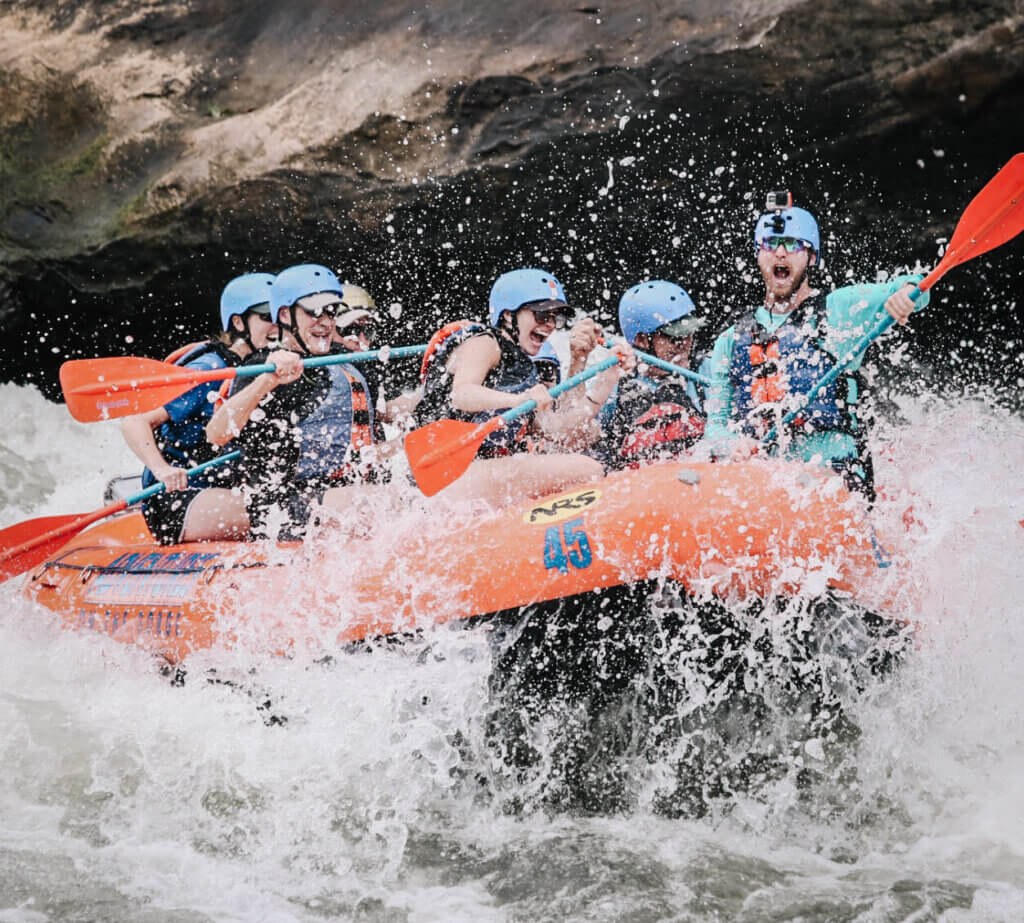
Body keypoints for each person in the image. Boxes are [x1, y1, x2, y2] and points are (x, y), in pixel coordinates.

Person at [702, 194, 926, 499]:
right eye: (770, 243)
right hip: (765, 485)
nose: (780, 253)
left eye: (793, 244)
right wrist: (732, 445)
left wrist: (907, 293)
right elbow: (715, 427)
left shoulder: (840, 309)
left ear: (811, 256)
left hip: (834, 478)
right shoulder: (729, 340)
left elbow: (917, 288)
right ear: (758, 255)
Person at [412, 268, 635, 506]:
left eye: (555, 318)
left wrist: (608, 377)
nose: (550, 325)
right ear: (509, 315)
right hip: (442, 475)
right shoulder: (484, 343)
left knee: (583, 452)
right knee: (585, 469)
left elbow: (562, 434)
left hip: (475, 474)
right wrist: (518, 400)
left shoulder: (523, 369)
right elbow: (462, 394)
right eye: (541, 315)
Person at [206, 264, 388, 540]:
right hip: (285, 504)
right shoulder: (260, 366)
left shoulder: (345, 359)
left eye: (330, 311)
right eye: (314, 312)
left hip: (347, 489)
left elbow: (383, 416)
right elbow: (217, 434)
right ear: (284, 315)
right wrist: (267, 380)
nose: (325, 322)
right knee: (378, 505)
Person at [120, 272, 277, 543]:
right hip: (178, 498)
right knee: (278, 512)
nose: (277, 326)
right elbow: (135, 422)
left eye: (281, 316)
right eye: (266, 317)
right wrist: (162, 470)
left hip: (224, 490)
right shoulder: (210, 369)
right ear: (238, 322)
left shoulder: (268, 367)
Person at [595, 280, 707, 469]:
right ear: (642, 340)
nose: (685, 343)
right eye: (674, 336)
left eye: (689, 332)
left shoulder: (706, 371)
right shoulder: (614, 383)